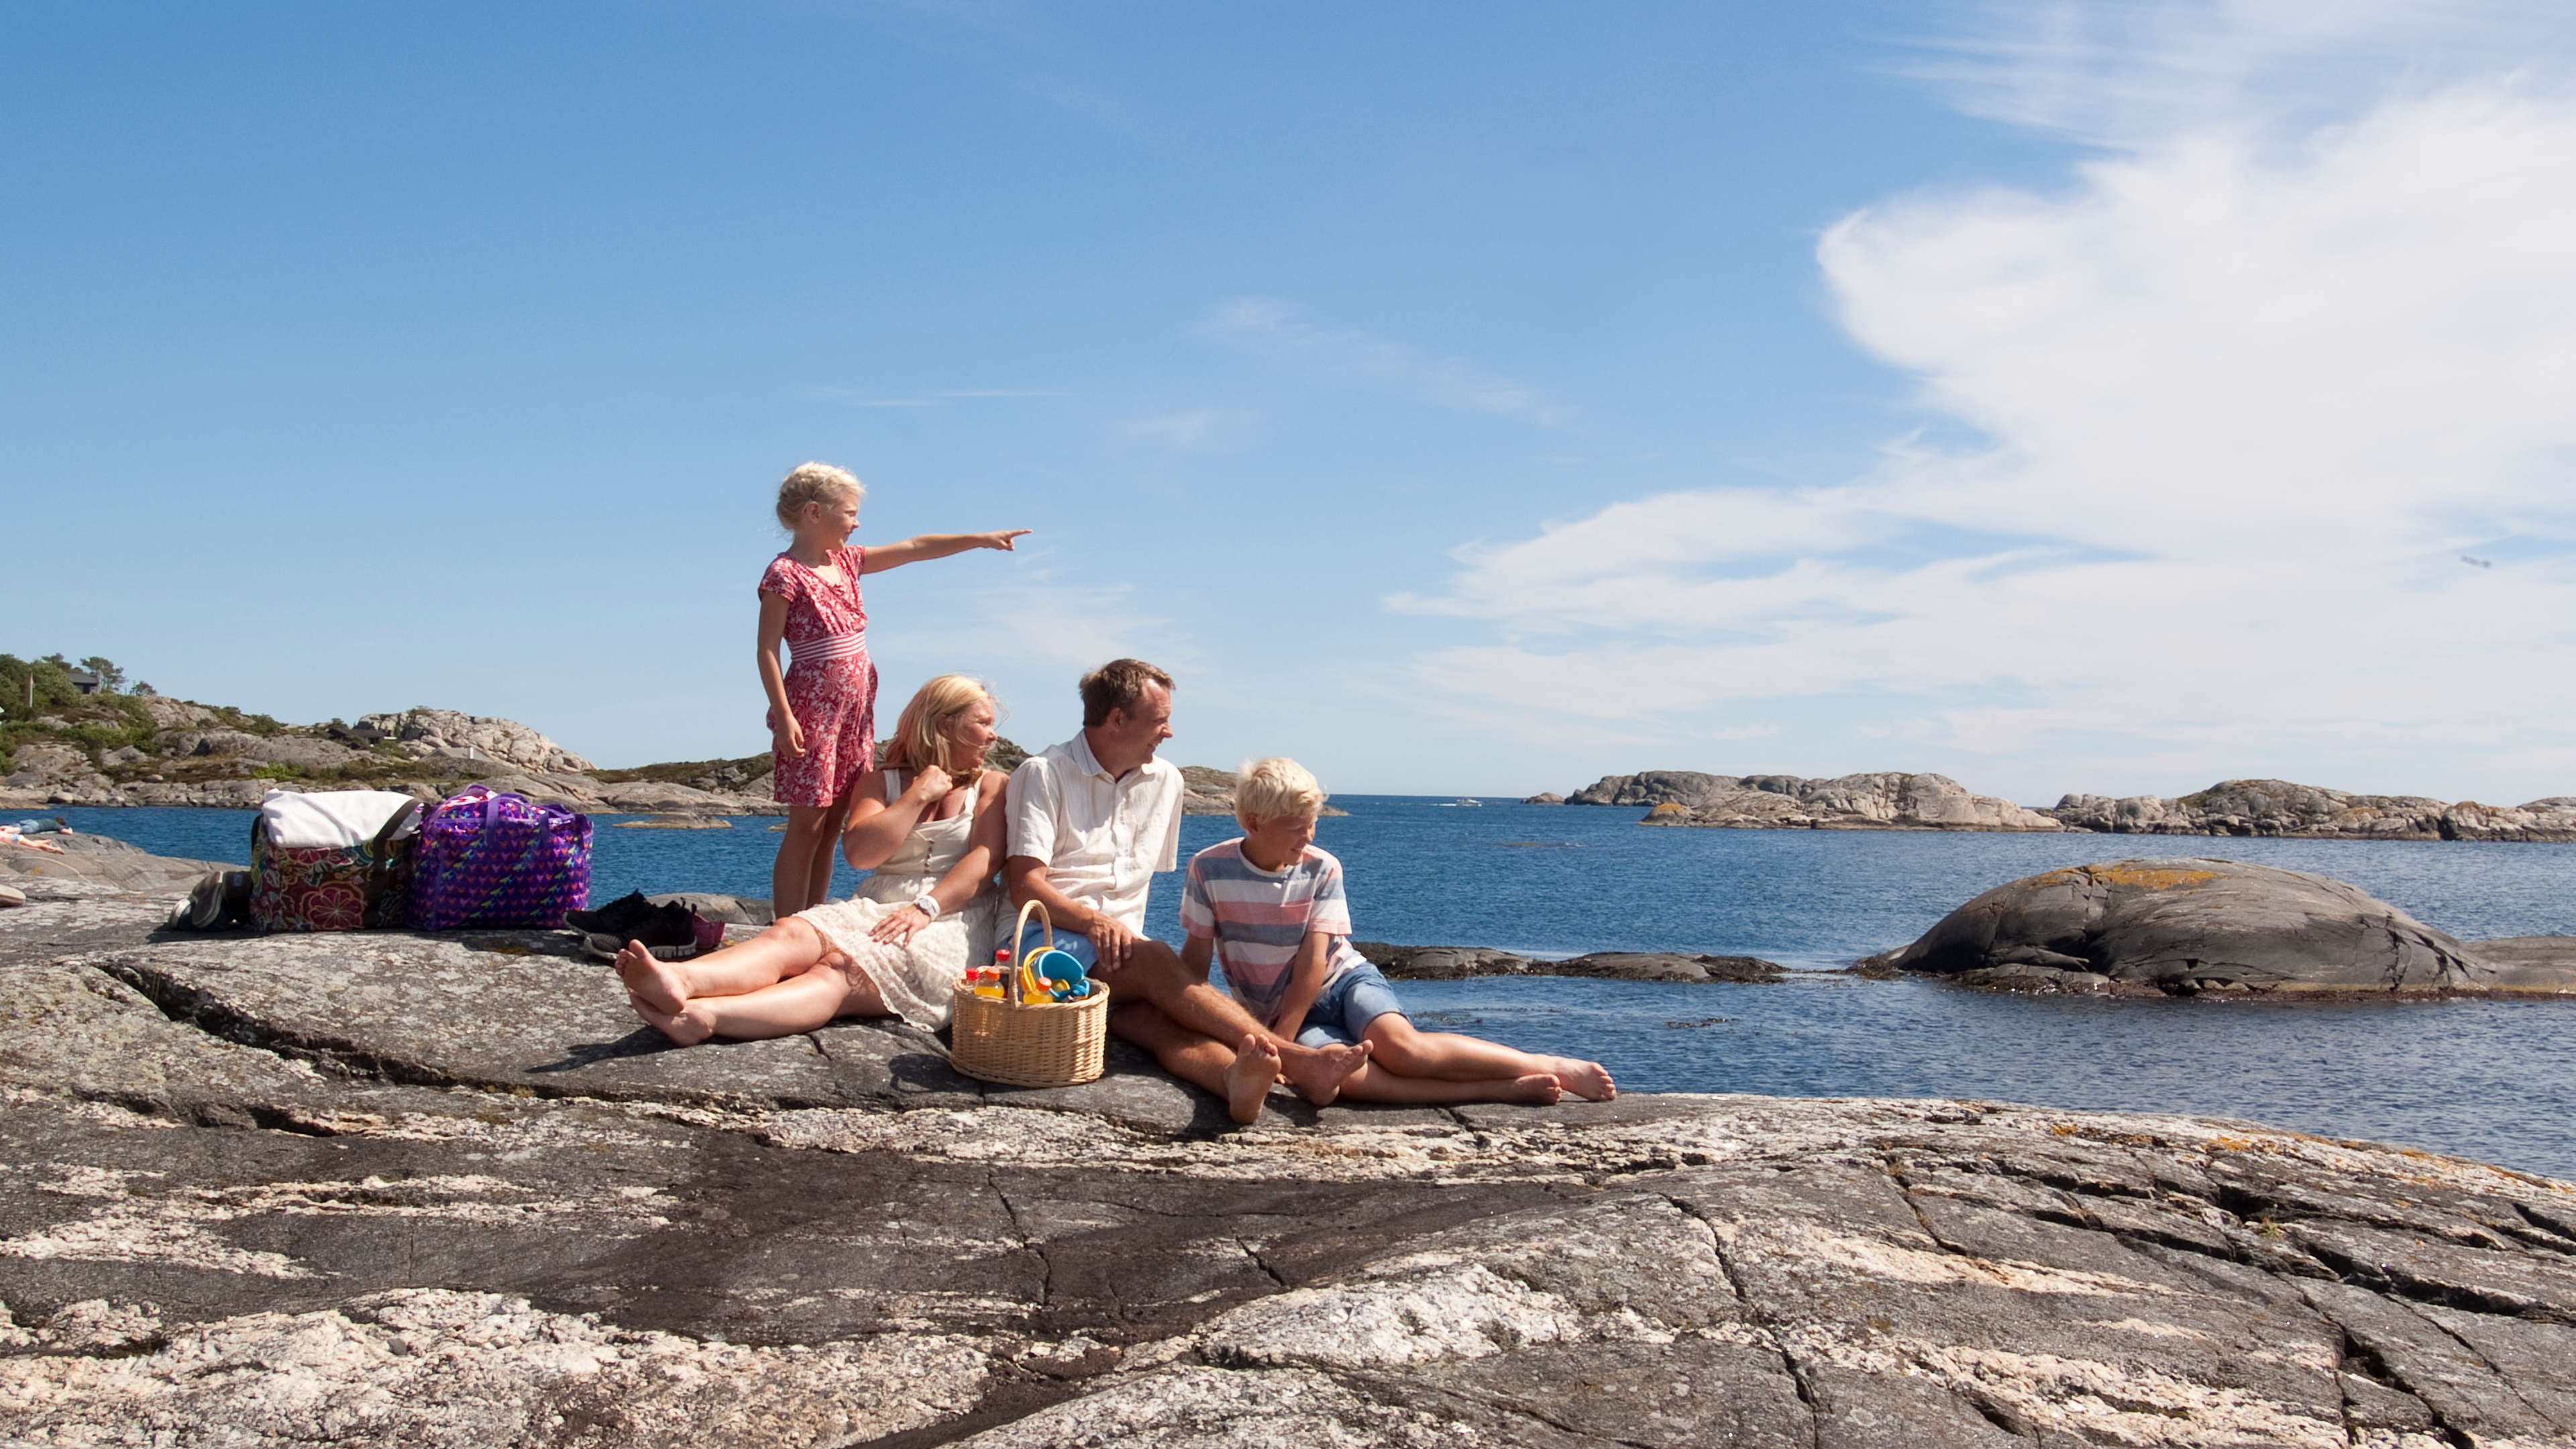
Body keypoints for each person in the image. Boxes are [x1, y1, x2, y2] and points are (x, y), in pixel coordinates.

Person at [1002, 659, 1375, 1122]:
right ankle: (1297, 1061)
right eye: (1160, 720)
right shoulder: (1043, 773)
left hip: (1121, 954)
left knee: (1155, 1024)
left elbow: (1135, 890)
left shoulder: (1167, 782)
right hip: (1049, 944)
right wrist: (1096, 922)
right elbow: (1024, 886)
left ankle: (1233, 1082)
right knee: (1158, 961)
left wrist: (1157, 973)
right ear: (1118, 719)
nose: (1170, 732)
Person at [1183, 758, 1615, 1117]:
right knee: (1349, 1081)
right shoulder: (1208, 869)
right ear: (1255, 822)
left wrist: (1284, 1040)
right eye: (1297, 827)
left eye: (1313, 824)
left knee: (1403, 1051)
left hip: (1341, 981)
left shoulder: (1322, 868)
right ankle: (1499, 1088)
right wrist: (1198, 1020)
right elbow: (1196, 956)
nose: (1309, 836)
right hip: (1281, 1011)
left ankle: (1547, 1064)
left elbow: (1315, 959)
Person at [621, 674, 1012, 1043]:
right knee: (789, 931)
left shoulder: (992, 784)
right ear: (944, 725)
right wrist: (917, 796)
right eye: (983, 722)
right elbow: (860, 854)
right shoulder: (882, 781)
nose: (994, 735)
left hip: (951, 915)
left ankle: (706, 1019)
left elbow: (985, 861)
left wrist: (925, 908)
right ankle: (679, 980)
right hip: (878, 903)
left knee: (840, 969)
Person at [758, 462, 1028, 916]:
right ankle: (784, 925)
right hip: (813, 711)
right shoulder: (785, 574)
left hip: (855, 712)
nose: (856, 522)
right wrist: (784, 716)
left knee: (832, 827)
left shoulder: (846, 562)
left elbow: (915, 547)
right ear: (813, 513)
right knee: (806, 825)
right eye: (849, 513)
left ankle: (811, 915)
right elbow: (767, 650)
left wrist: (979, 539)